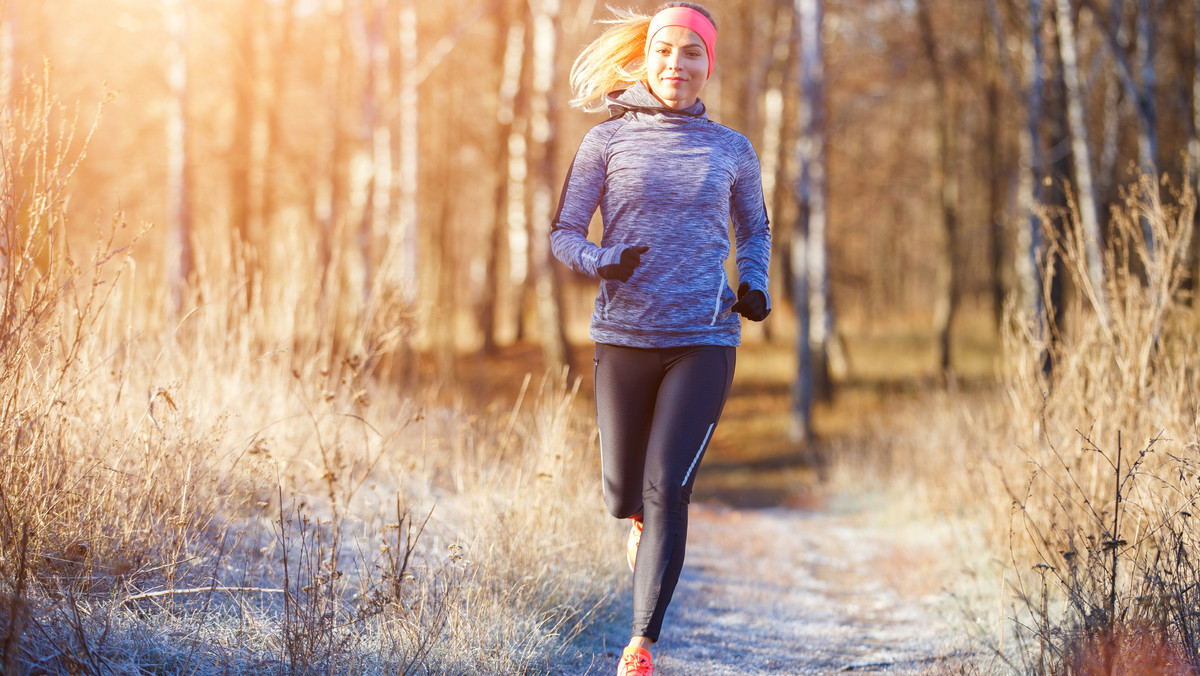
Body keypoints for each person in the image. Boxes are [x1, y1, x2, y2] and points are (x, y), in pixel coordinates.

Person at [550, 3, 772, 674]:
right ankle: (640, 525)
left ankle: (641, 643)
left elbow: (755, 229)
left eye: (693, 53)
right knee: (624, 494)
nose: (679, 64)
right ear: (647, 58)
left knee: (665, 486)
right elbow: (564, 232)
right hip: (623, 336)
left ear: (710, 63)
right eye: (667, 51)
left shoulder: (732, 148)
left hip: (703, 338)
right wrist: (600, 262)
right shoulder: (606, 142)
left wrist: (754, 283)